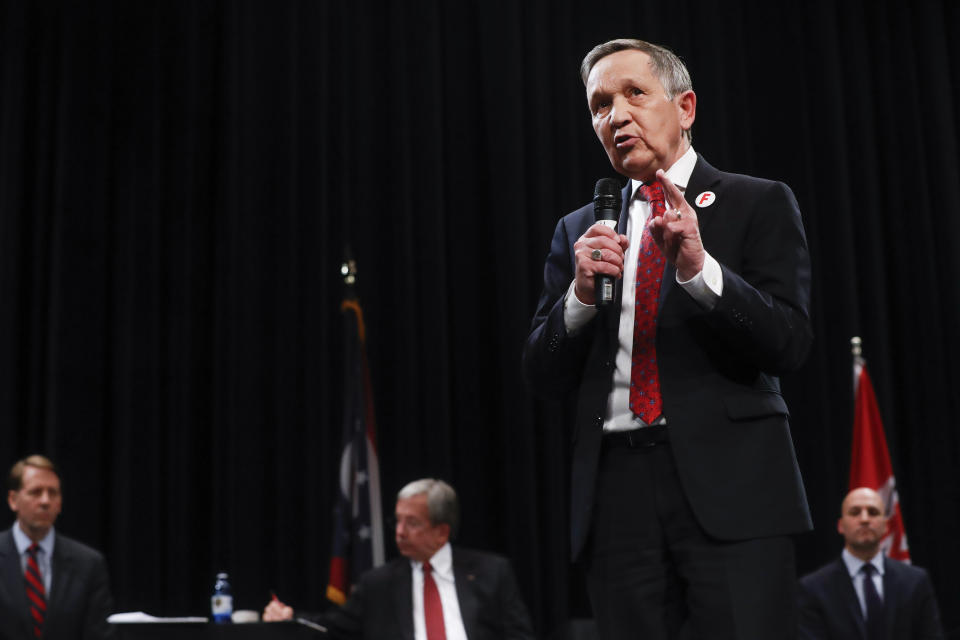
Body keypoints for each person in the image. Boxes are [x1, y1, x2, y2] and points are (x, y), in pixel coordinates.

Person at [523, 38, 813, 639]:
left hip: (732, 490)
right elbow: (540, 374)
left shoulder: (754, 202)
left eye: (634, 94)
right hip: (616, 497)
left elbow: (788, 344)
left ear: (685, 107)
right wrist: (578, 298)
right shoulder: (580, 230)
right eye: (600, 105)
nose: (617, 115)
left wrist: (700, 270)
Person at [264, 478, 535, 640]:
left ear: (441, 532)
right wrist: (290, 618)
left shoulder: (492, 572)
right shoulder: (378, 585)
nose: (399, 532)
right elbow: (331, 630)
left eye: (413, 523)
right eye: (398, 521)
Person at [798, 487, 944, 639]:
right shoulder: (813, 588)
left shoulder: (916, 581)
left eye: (873, 512)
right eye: (855, 512)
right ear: (841, 526)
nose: (864, 519)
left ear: (886, 525)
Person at [1, 455, 115, 640]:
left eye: (52, 493)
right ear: (13, 500)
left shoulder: (88, 564)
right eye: (36, 492)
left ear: (60, 503)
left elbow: (98, 634)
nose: (45, 501)